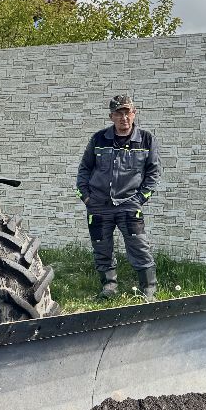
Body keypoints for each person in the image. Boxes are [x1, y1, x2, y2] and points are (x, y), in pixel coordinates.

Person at [75, 93, 161, 298]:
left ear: (134, 113)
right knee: (101, 249)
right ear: (111, 116)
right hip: (98, 205)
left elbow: (153, 174)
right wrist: (86, 198)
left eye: (127, 113)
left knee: (139, 247)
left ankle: (148, 290)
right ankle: (109, 288)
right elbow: (84, 170)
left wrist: (140, 199)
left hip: (129, 204)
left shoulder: (146, 139)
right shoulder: (98, 139)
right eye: (119, 113)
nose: (124, 118)